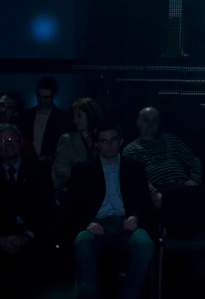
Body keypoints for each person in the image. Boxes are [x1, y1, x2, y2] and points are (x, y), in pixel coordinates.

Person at [67, 122, 154, 299]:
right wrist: (88, 223)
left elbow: (145, 202)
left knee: (145, 243)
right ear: (97, 143)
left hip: (126, 222)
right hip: (96, 224)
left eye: (113, 140)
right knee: (83, 241)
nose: (109, 144)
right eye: (104, 141)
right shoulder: (83, 170)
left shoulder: (134, 168)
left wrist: (136, 217)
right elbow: (72, 206)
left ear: (121, 141)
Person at [0, 123, 56, 282]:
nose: (7, 144)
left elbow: (48, 210)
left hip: (34, 237)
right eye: (2, 141)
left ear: (21, 142)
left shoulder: (39, 169)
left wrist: (28, 236)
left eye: (11, 139)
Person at [122, 106, 203, 211]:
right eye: (146, 120)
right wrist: (153, 192)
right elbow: (134, 177)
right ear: (138, 122)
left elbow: (193, 159)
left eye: (154, 120)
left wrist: (194, 179)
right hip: (159, 189)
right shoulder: (130, 150)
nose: (150, 124)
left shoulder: (172, 139)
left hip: (183, 185)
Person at [14, 76, 72, 162]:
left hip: (51, 165)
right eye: (40, 96)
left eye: (46, 97)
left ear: (53, 96)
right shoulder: (24, 117)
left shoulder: (63, 119)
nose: (42, 100)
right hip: (26, 163)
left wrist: (50, 156)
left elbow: (66, 146)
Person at [52, 97, 104, 191]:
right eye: (74, 116)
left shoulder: (101, 138)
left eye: (79, 116)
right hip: (74, 191)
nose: (75, 120)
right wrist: (80, 174)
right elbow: (59, 168)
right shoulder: (68, 139)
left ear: (90, 116)